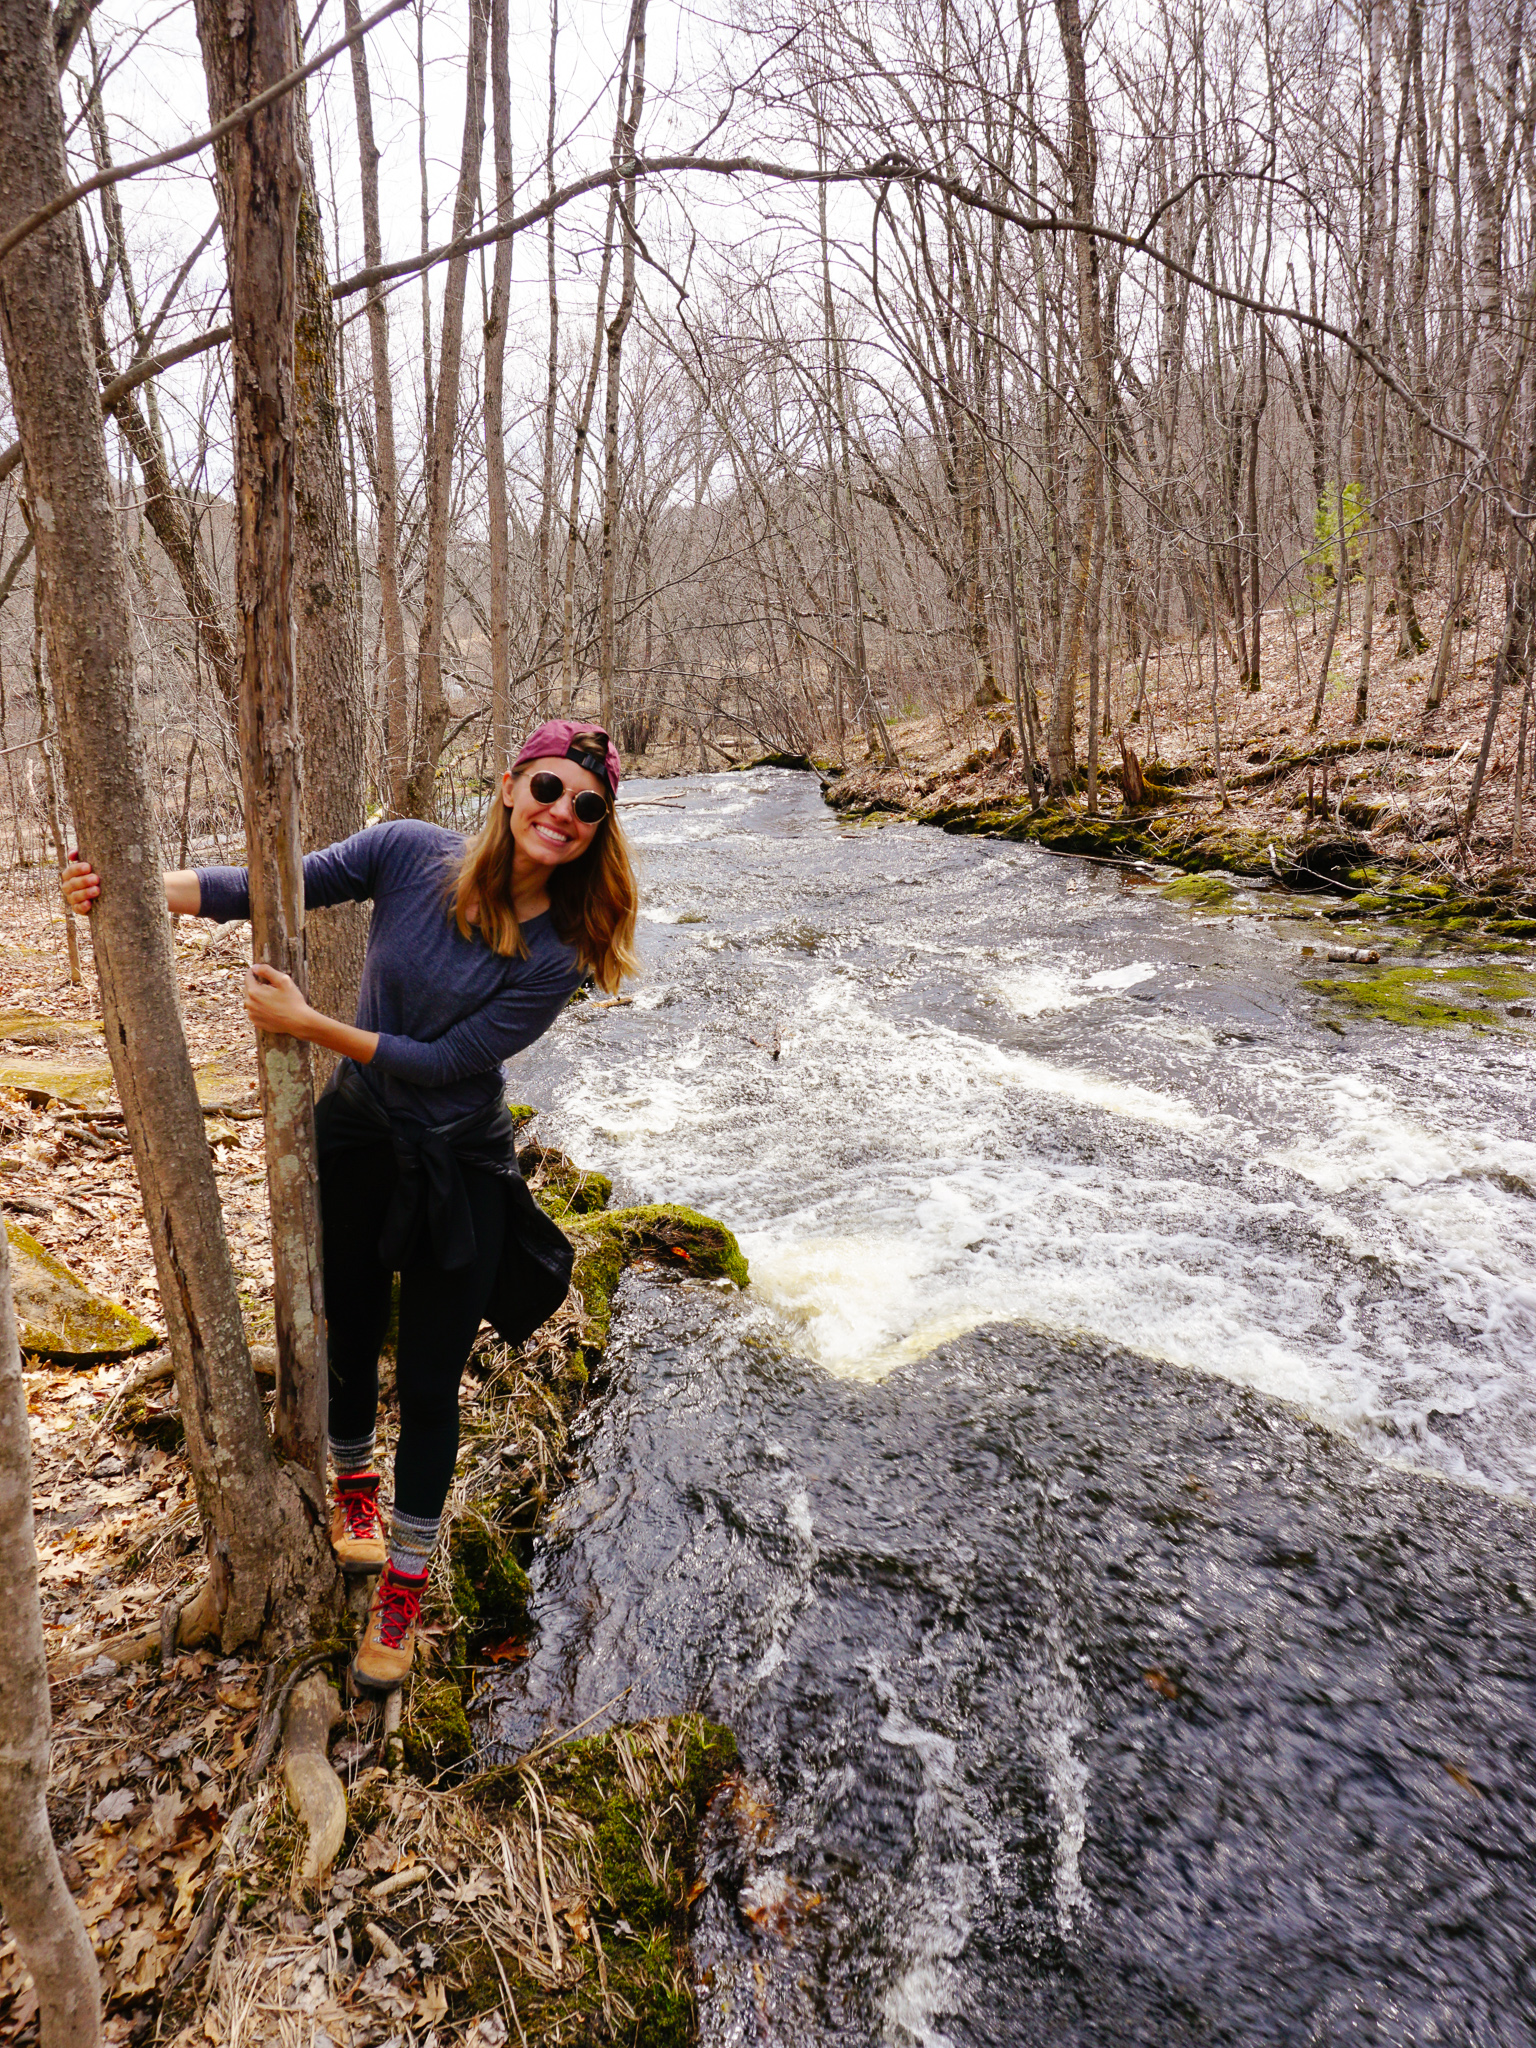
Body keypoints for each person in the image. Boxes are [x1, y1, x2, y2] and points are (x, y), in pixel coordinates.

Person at [63, 722, 638, 1692]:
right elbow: (272, 886)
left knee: (431, 1381)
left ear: (597, 828)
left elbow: (455, 1061)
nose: (563, 814)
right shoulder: (408, 850)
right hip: (359, 1135)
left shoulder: (564, 948)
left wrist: (311, 1024)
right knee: (348, 1322)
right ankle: (354, 1489)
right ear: (509, 785)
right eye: (550, 787)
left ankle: (403, 1592)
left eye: (588, 806)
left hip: (462, 1167)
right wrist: (129, 889)